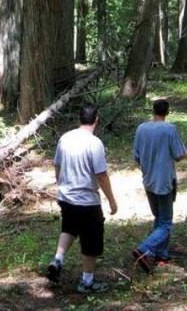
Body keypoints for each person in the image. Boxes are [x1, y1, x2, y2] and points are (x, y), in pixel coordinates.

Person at [46, 105, 118, 293]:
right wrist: (111, 200)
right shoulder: (94, 143)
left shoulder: (65, 138)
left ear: (80, 119)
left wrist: (60, 185)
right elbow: (101, 175)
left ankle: (58, 260)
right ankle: (87, 282)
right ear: (96, 120)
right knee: (91, 241)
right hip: (87, 201)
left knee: (69, 228)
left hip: (66, 197)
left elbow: (57, 165)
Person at [131, 99, 187, 274]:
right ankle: (145, 249)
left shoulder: (141, 129)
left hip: (148, 180)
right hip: (164, 182)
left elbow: (137, 156)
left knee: (159, 218)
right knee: (166, 223)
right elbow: (178, 154)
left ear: (153, 111)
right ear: (167, 112)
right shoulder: (169, 129)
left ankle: (160, 254)